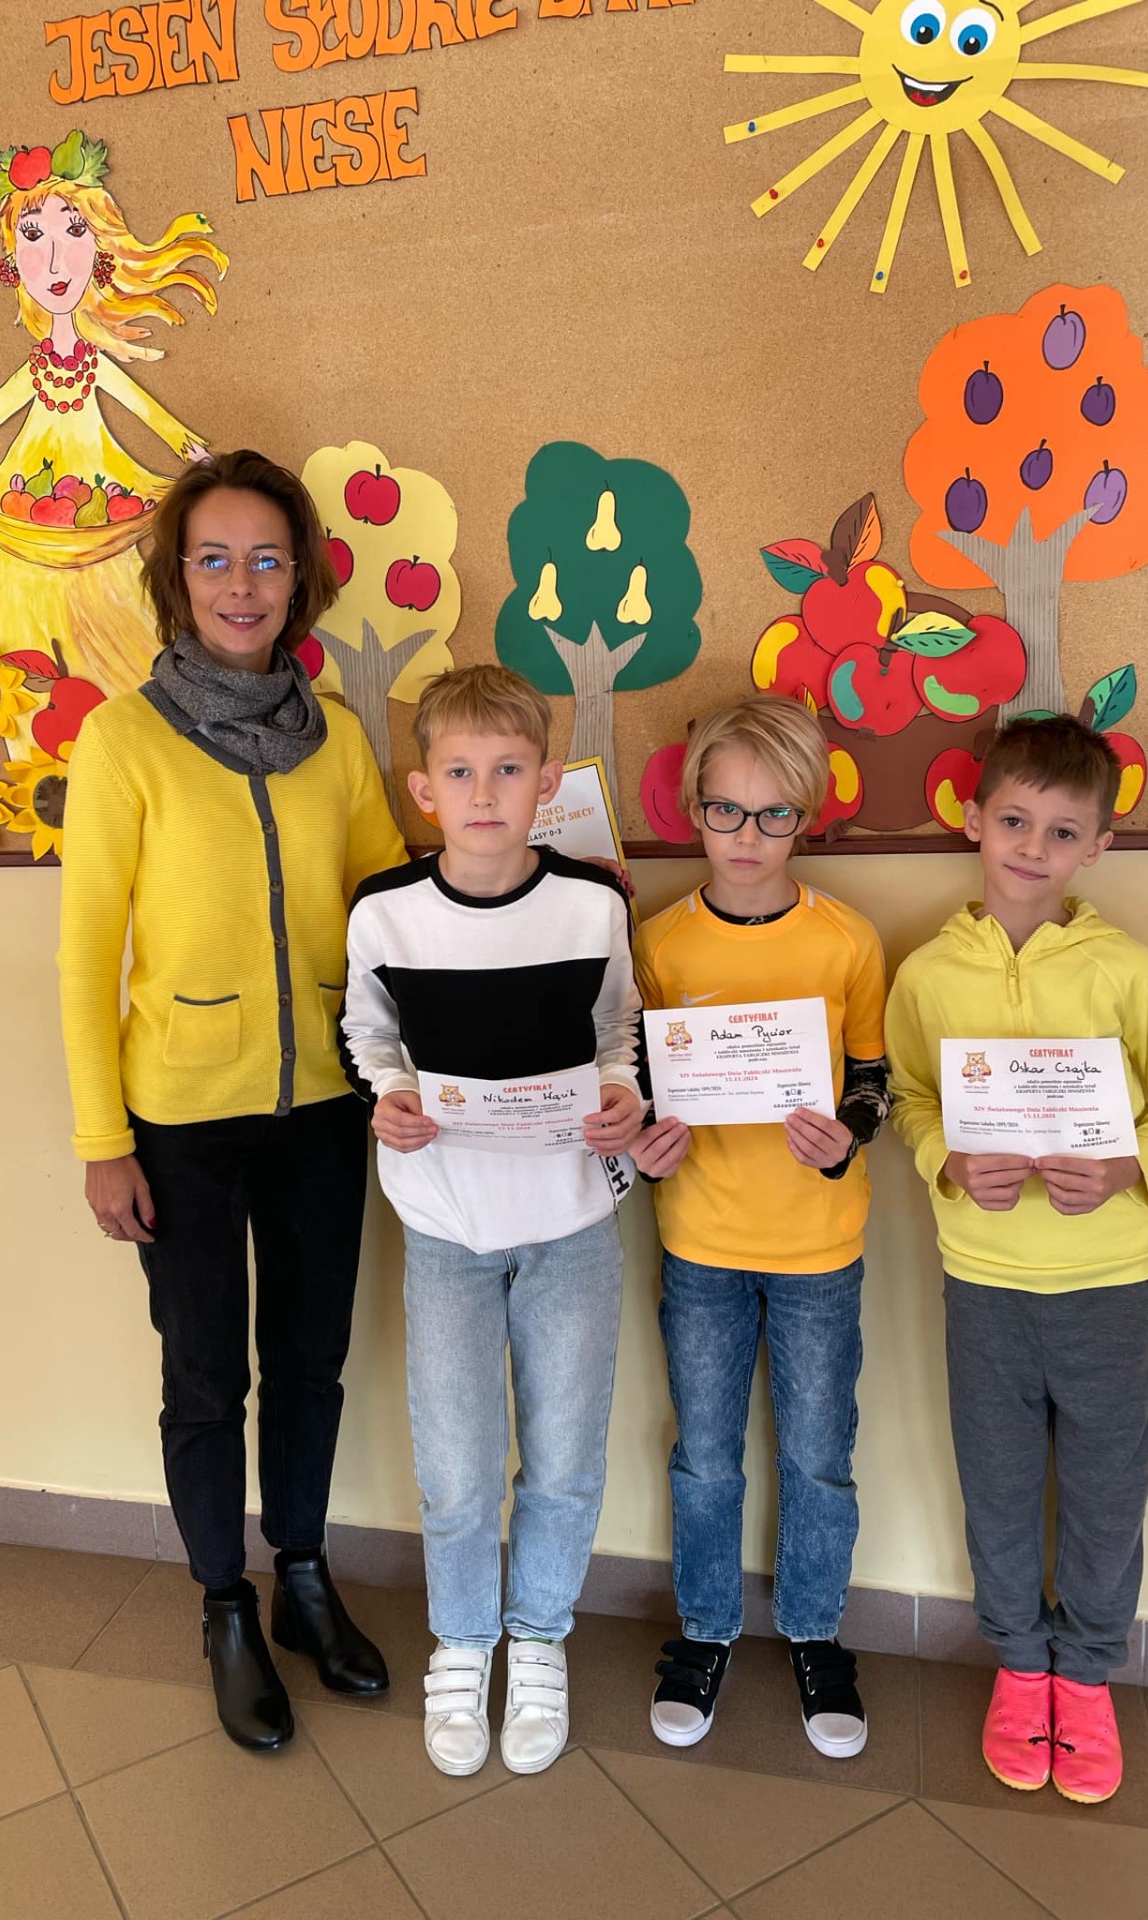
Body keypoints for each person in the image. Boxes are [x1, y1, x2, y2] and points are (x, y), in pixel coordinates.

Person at [58, 448, 406, 1753]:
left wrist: (530, 873)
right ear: (179, 577)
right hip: (182, 1122)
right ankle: (224, 1607)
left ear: (299, 578)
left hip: (323, 1107)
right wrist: (103, 1141)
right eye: (214, 559)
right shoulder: (123, 739)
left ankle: (304, 1574)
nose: (242, 584)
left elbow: (390, 913)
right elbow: (86, 954)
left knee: (309, 1360)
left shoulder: (338, 739)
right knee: (205, 1375)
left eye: (267, 558)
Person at [886, 716, 1148, 1805]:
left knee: (1109, 1494)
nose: (1032, 847)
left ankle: (1088, 1675)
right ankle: (1020, 1667)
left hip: (1111, 1282)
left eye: (1063, 831)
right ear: (973, 821)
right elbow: (912, 1099)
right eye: (1015, 822)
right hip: (984, 1279)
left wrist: (1128, 1167)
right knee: (998, 1486)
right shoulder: (930, 974)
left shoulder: (1126, 968)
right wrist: (944, 1161)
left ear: (1098, 847)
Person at [339, 665, 644, 1779]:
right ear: (423, 790)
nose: (484, 793)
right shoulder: (384, 912)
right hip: (445, 1230)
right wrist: (388, 1098)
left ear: (545, 782)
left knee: (563, 1458)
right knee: (459, 1466)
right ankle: (463, 1644)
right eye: (460, 772)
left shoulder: (593, 903)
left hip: (572, 1223)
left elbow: (620, 1031)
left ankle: (541, 1637)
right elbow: (366, 1034)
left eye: (508, 770)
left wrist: (624, 1096)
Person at [632, 695, 889, 1757]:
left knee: (820, 1453)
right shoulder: (659, 944)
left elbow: (872, 1076)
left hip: (819, 1245)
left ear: (807, 818)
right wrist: (643, 1142)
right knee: (705, 1454)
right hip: (700, 1239)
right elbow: (639, 1086)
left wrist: (846, 1136)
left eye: (775, 814)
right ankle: (704, 1630)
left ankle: (816, 1632)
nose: (748, 836)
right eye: (727, 811)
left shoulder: (846, 939)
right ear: (694, 807)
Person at [0, 130, 226, 701]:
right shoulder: (37, 365)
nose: (55, 259)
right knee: (29, 625)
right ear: (13, 263)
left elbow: (143, 408)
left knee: (117, 613)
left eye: (74, 231)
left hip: (98, 513)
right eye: (33, 236)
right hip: (27, 515)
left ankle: (141, 710)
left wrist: (189, 448)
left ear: (101, 251)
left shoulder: (93, 364)